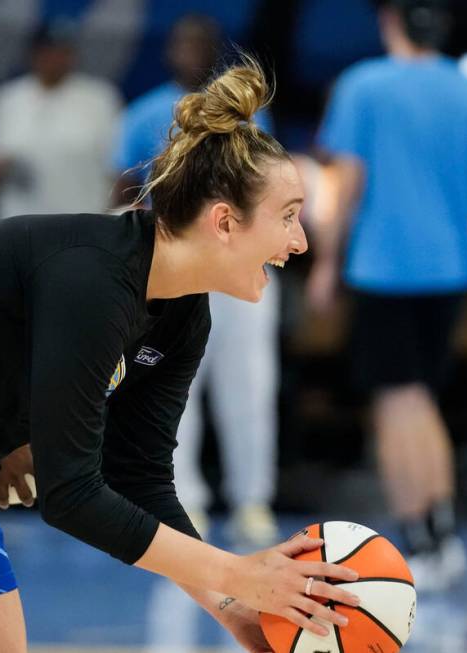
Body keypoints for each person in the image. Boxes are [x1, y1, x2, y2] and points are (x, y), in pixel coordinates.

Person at [0, 59, 364, 653]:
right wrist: (237, 572)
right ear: (225, 222)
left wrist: (232, 606)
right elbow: (70, 494)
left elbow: (140, 479)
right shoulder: (93, 280)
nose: (301, 241)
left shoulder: (184, 312)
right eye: (288, 217)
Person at [306, 0, 467, 590]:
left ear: (390, 20)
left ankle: (421, 540)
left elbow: (347, 180)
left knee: (398, 404)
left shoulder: (363, 85)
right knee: (423, 397)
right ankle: (442, 532)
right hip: (451, 268)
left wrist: (326, 263)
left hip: (385, 266)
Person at [112, 14, 281, 545]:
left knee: (249, 384)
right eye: (182, 45)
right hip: (175, 268)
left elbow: (267, 191)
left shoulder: (247, 115)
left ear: (214, 54)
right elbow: (123, 191)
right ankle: (182, 500)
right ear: (170, 53)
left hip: (239, 266)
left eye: (200, 46)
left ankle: (252, 500)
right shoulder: (144, 114)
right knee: (171, 383)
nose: (190, 54)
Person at [0, 19, 122, 218]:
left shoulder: (100, 98)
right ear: (32, 54)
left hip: (83, 225)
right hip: (18, 226)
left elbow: (119, 168)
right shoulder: (6, 98)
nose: (54, 58)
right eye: (47, 50)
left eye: (62, 51)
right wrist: (1, 167)